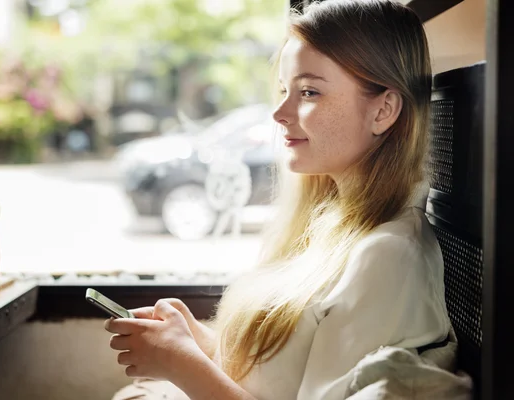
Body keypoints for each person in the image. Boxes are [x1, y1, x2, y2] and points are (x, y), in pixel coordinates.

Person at [105, 0, 456, 398]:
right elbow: (281, 380)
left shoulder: (389, 257)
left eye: (309, 91)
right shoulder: (332, 227)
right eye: (285, 90)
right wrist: (199, 345)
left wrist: (180, 363)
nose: (279, 112)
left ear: (383, 110)